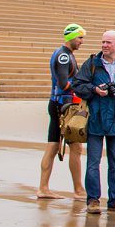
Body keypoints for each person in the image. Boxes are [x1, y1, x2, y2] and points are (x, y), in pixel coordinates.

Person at [71, 29, 115, 214]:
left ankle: (114, 199)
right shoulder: (93, 63)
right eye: (103, 42)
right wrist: (95, 90)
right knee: (93, 163)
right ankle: (93, 200)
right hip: (96, 118)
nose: (104, 45)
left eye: (108, 42)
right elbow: (77, 85)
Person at [39, 24, 85, 200]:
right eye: (79, 38)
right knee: (75, 147)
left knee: (53, 145)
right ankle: (78, 190)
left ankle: (43, 188)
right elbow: (63, 83)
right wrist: (82, 88)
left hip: (58, 104)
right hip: (63, 106)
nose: (81, 42)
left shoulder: (65, 54)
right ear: (71, 37)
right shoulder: (64, 56)